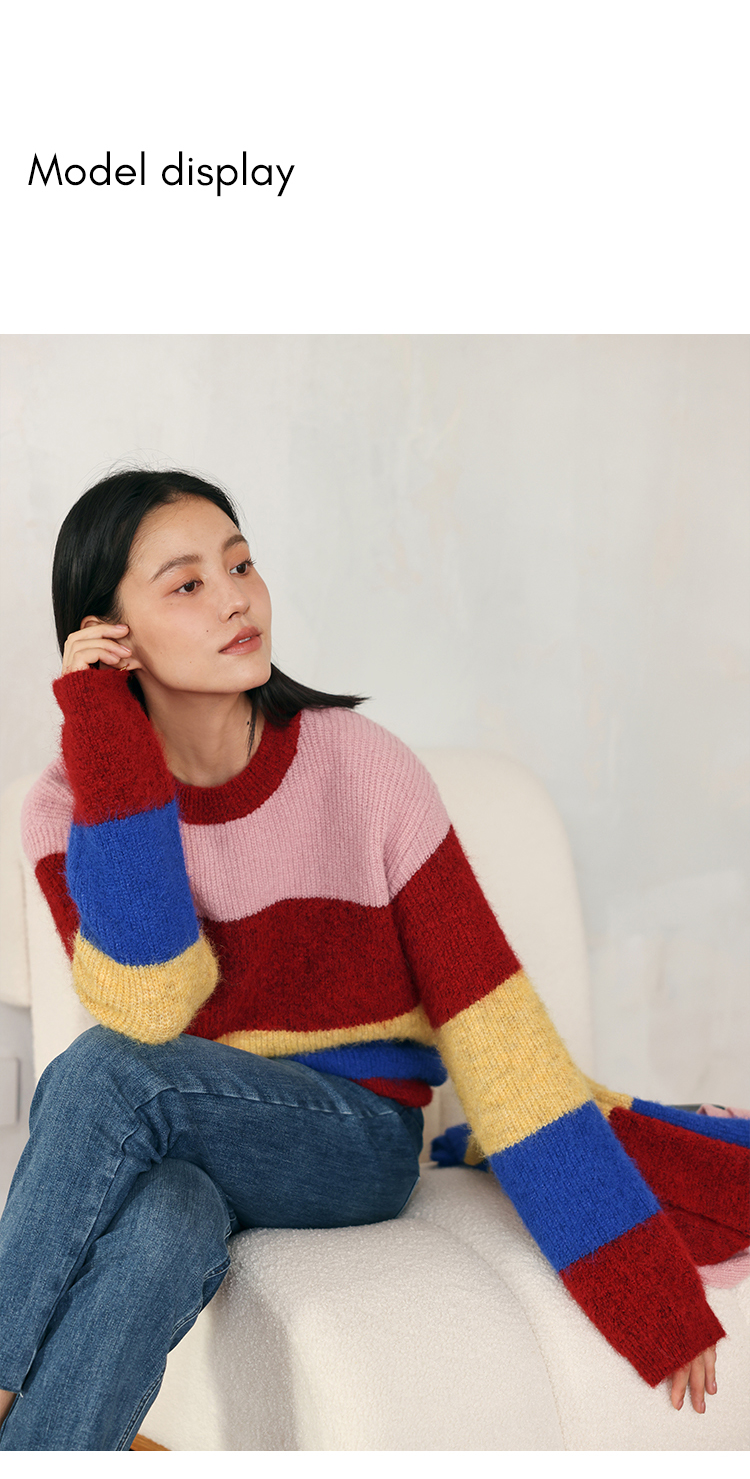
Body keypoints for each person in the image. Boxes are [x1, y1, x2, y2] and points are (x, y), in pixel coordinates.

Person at [0, 469, 746, 1450]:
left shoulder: (361, 766)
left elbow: (498, 1035)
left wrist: (645, 1290)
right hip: (200, 1136)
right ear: (110, 634)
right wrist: (106, 732)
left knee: (103, 1073)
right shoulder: (68, 805)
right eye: (187, 584)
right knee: (167, 1220)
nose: (235, 598)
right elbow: (151, 1004)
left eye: (241, 565)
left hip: (355, 1140)